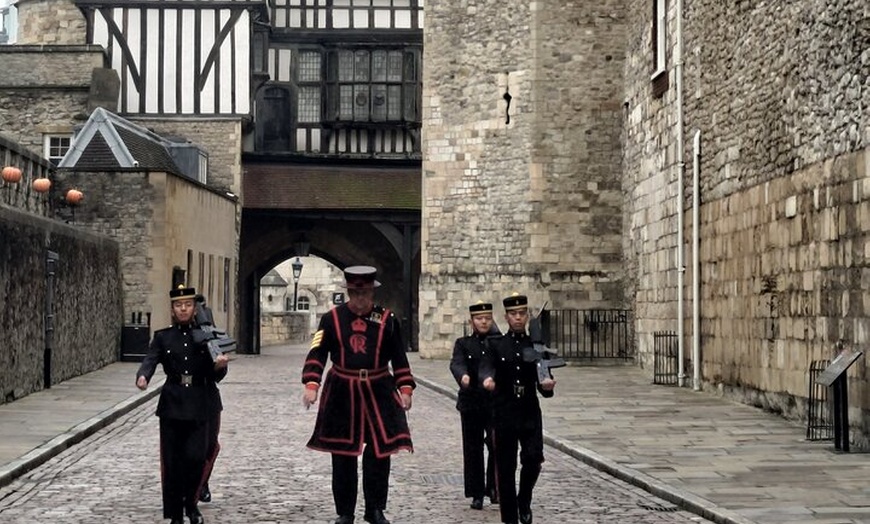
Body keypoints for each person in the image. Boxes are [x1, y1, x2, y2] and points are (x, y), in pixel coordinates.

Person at [301, 265, 415, 524]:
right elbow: (317, 353)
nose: (360, 299)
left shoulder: (387, 320)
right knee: (342, 455)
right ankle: (345, 511)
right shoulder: (331, 319)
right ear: (349, 292)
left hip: (379, 391)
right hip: (342, 391)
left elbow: (398, 356)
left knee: (379, 452)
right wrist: (311, 384)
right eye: (355, 294)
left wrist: (405, 388)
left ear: (372, 294)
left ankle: (375, 508)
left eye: (365, 294)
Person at [136, 285, 229, 524]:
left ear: (194, 308)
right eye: (179, 305)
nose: (183, 309)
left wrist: (220, 365)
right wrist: (143, 376)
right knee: (173, 461)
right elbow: (151, 359)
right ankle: (176, 512)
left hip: (201, 401)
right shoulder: (163, 336)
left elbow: (218, 372)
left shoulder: (207, 335)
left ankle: (192, 503)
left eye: (188, 305)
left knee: (196, 458)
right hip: (173, 403)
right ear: (172, 309)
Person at [481, 293, 556, 524]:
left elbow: (544, 378)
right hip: (504, 408)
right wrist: (487, 380)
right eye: (513, 314)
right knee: (505, 466)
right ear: (506, 317)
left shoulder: (535, 345)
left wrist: (547, 386)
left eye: (521, 313)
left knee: (533, 459)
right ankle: (510, 517)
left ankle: (524, 499)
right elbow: (486, 368)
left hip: (528, 409)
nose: (517, 318)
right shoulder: (496, 345)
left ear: (526, 316)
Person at [449, 300, 498, 510]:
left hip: (494, 402)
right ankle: (477, 492)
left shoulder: (500, 343)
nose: (484, 322)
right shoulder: (464, 343)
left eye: (487, 318)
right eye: (479, 319)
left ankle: (495, 487)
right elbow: (456, 362)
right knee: (473, 448)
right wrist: (463, 376)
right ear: (472, 321)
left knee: (497, 445)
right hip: (471, 401)